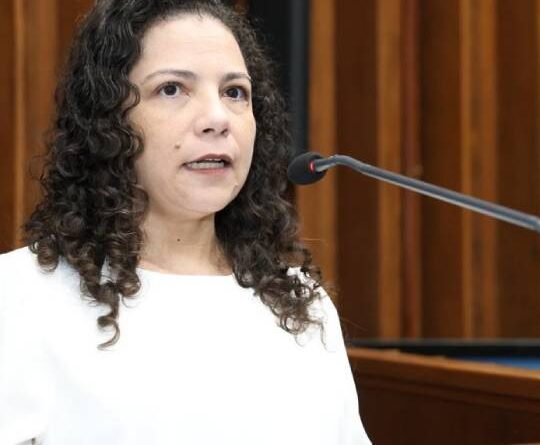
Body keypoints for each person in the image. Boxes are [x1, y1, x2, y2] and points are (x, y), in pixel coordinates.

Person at [0, 0, 370, 443]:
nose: (217, 118)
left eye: (235, 92)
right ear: (106, 119)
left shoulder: (302, 305)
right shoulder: (21, 298)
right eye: (172, 89)